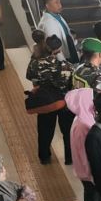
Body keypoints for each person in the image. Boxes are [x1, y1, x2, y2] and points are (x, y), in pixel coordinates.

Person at [27, 33, 75, 165]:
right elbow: (71, 85)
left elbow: (33, 80)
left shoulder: (35, 63)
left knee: (44, 131)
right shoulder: (66, 66)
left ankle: (45, 157)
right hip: (63, 102)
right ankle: (69, 158)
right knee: (67, 131)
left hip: (45, 101)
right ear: (58, 50)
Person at [65, 88, 101, 201]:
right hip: (90, 175)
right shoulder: (84, 125)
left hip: (86, 174)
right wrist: (94, 178)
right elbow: (86, 155)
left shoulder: (81, 119)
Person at [38, 0, 79, 65]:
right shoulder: (48, 22)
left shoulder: (57, 16)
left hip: (68, 52)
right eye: (56, 3)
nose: (60, 5)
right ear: (47, 5)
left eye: (59, 2)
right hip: (62, 59)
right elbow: (54, 47)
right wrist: (63, 63)